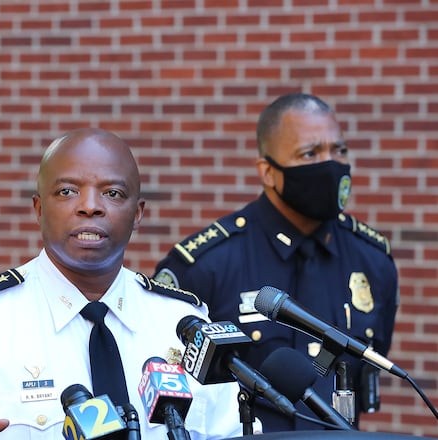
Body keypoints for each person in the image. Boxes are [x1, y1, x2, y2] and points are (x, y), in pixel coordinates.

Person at [0, 128, 243, 440]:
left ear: (138, 213)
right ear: (38, 209)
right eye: (67, 191)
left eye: (112, 193)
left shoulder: (183, 324)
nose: (90, 207)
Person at [152, 93, 399, 431]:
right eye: (310, 153)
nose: (330, 164)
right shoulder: (207, 266)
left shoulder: (372, 261)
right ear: (268, 171)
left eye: (338, 151)